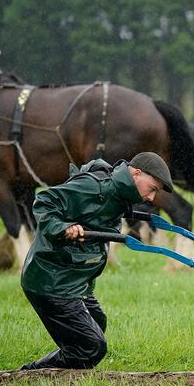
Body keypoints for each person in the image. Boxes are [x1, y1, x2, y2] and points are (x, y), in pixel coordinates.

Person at [20, 152, 173, 370]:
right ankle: (31, 374)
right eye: (153, 189)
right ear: (136, 174)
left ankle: (69, 372)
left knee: (96, 324)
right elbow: (44, 202)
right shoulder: (92, 187)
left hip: (76, 279)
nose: (151, 198)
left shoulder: (119, 191)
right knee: (92, 347)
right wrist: (63, 228)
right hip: (51, 281)